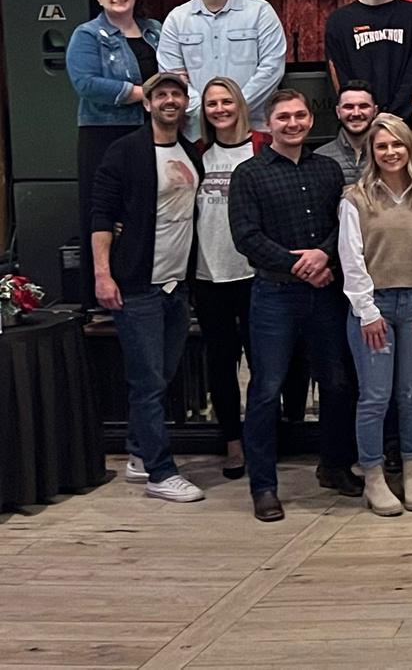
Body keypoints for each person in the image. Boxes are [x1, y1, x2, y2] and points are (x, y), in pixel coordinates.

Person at [231, 89, 357, 522]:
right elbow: (246, 237)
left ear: (310, 119)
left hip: (325, 294)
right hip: (275, 295)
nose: (293, 123)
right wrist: (299, 265)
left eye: (300, 115)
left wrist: (325, 254)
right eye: (283, 117)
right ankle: (264, 486)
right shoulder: (249, 174)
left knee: (337, 383)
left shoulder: (328, 169)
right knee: (266, 390)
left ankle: (334, 466)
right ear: (268, 124)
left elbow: (345, 225)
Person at [90, 72, 207, 503]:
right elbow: (101, 215)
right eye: (162, 94)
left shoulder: (190, 151)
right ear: (147, 103)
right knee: (148, 382)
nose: (169, 100)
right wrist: (103, 275)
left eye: (177, 94)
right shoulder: (125, 152)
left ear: (185, 102)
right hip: (137, 286)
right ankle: (161, 472)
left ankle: (139, 453)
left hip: (176, 287)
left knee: (161, 376)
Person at [338, 115, 412, 517]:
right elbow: (351, 260)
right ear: (371, 151)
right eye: (381, 146)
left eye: (397, 144)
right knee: (375, 396)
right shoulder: (355, 199)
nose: (390, 152)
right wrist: (366, 311)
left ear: (409, 147)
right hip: (375, 307)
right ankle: (374, 476)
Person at [68, 0, 162, 284]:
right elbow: (86, 83)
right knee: (107, 210)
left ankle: (146, 283)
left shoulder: (156, 30)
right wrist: (143, 93)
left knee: (146, 207)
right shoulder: (87, 34)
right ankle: (103, 286)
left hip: (153, 130)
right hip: (106, 134)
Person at [192, 77, 266, 482]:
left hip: (255, 275)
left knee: (263, 364)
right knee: (221, 365)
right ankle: (232, 443)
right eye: (212, 104)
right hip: (209, 275)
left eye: (226, 101)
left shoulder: (262, 146)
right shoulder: (197, 153)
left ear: (239, 104)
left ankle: (260, 439)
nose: (219, 109)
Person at [158, 0, 288, 133]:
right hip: (198, 131)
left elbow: (272, 68)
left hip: (254, 127)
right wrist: (205, 112)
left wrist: (235, 108)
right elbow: (172, 76)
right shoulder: (176, 19)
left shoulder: (260, 12)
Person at [315, 81, 379, 185]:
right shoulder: (320, 158)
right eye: (349, 107)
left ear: (375, 111)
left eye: (363, 106)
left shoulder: (388, 154)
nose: (356, 113)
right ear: (338, 112)